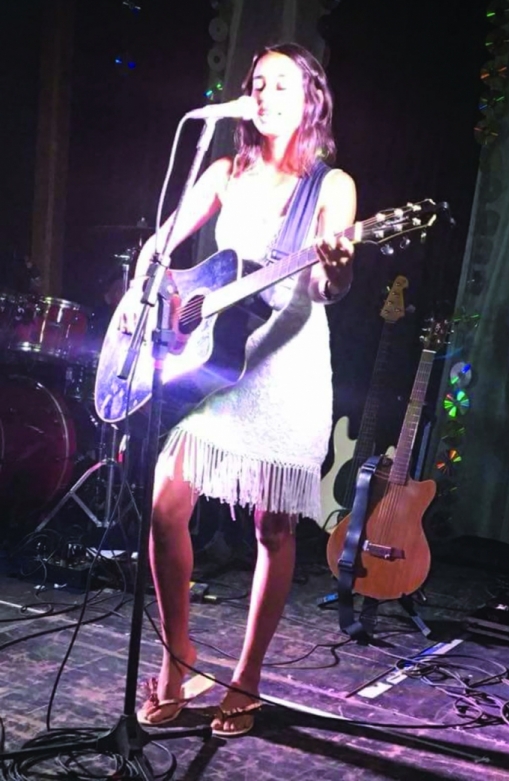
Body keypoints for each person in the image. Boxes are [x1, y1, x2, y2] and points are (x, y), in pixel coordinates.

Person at [129, 43, 357, 733]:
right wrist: (156, 293)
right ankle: (178, 656)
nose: (264, 94)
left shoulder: (331, 186)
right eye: (258, 82)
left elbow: (328, 286)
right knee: (166, 502)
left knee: (272, 526)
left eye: (281, 83)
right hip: (219, 365)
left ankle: (247, 677)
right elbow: (160, 246)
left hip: (287, 367)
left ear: (310, 97)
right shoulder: (225, 171)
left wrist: (338, 268)